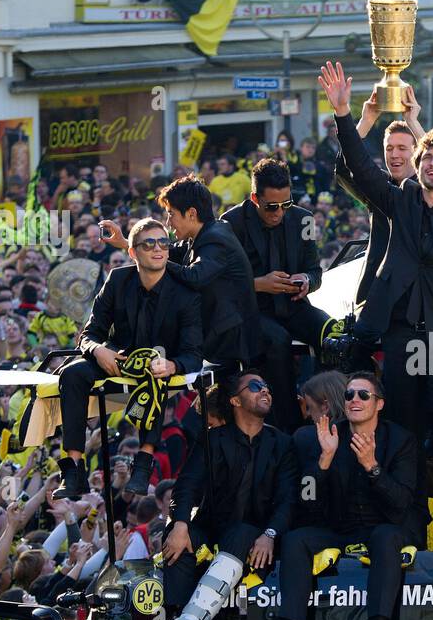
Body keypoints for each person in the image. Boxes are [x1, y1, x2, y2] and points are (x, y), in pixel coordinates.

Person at [322, 61, 433, 550]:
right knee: (404, 445)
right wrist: (345, 115)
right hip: (400, 341)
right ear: (417, 166)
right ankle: (409, 536)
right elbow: (361, 170)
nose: (432, 164)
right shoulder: (402, 203)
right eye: (426, 158)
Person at [268, 372, 419, 620]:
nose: (354, 400)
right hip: (343, 530)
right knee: (296, 539)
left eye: (364, 395)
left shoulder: (401, 440)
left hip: (386, 527)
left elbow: (402, 503)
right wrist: (323, 460)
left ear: (379, 404)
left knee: (386, 537)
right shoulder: (328, 435)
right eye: (349, 395)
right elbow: (306, 500)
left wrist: (372, 467)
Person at [54, 218, 203, 501]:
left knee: (157, 372)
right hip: (116, 359)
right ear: (133, 252)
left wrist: (173, 365)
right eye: (149, 244)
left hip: (156, 365)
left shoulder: (185, 293)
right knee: (72, 374)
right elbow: (90, 333)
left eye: (163, 243)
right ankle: (74, 468)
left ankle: (143, 464)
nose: (158, 249)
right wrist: (99, 350)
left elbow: (193, 353)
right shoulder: (118, 280)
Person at [162, 373, 297, 620]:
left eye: (267, 386)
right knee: (177, 536)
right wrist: (180, 524)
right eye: (256, 386)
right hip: (213, 529)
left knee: (241, 532)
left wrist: (270, 534)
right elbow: (188, 484)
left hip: (257, 538)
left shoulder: (282, 443)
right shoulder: (212, 439)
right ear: (235, 400)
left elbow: (288, 500)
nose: (266, 390)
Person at [103, 175, 262, 372]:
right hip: (217, 337)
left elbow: (194, 277)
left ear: (191, 213)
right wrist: (128, 243)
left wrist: (154, 259)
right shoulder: (199, 236)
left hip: (229, 343)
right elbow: (165, 252)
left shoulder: (216, 238)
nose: (168, 223)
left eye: (171, 214)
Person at [221, 157, 330, 432]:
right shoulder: (231, 222)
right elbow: (219, 283)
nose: (279, 213)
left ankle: (328, 413)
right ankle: (287, 425)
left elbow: (315, 270)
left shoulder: (303, 218)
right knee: (277, 342)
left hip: (294, 305)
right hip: (252, 311)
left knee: (335, 334)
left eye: (286, 204)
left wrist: (306, 280)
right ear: (255, 198)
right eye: (271, 207)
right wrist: (258, 284)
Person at [337, 85, 425, 307]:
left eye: (402, 148)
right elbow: (343, 170)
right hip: (374, 295)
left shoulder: (431, 188)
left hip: (417, 299)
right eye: (389, 148)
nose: (394, 155)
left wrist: (414, 122)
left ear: (416, 151)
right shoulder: (378, 186)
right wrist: (366, 120)